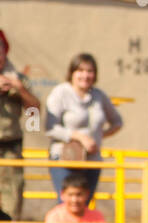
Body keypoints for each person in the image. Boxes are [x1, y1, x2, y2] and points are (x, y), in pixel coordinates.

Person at [44, 53, 123, 199]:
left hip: (92, 160)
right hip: (65, 159)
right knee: (68, 204)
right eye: (80, 71)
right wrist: (80, 137)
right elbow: (49, 128)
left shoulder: (98, 95)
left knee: (84, 208)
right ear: (72, 73)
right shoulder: (61, 92)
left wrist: (99, 136)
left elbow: (117, 122)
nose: (85, 75)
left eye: (90, 71)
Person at [0, 38, 39, 220]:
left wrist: (20, 89)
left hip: (10, 152)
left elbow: (34, 113)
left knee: (11, 206)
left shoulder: (19, 79)